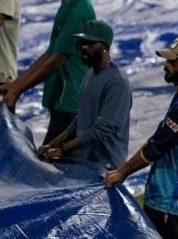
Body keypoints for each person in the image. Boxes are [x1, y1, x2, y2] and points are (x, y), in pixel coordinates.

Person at [104, 36, 178, 239]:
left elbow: (153, 149)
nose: (166, 64)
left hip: (169, 197)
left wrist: (121, 172)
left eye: (172, 61)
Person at [0, 0, 95, 144]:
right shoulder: (69, 5)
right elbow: (51, 53)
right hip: (63, 99)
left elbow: (56, 60)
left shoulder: (78, 10)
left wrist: (18, 90)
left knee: (52, 159)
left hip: (70, 100)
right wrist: (16, 84)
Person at [38, 19, 131, 170]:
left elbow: (101, 130)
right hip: (85, 162)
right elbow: (79, 119)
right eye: (82, 43)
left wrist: (63, 149)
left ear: (104, 47)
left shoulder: (117, 82)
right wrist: (52, 144)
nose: (84, 47)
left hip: (105, 168)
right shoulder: (90, 73)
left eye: (90, 43)